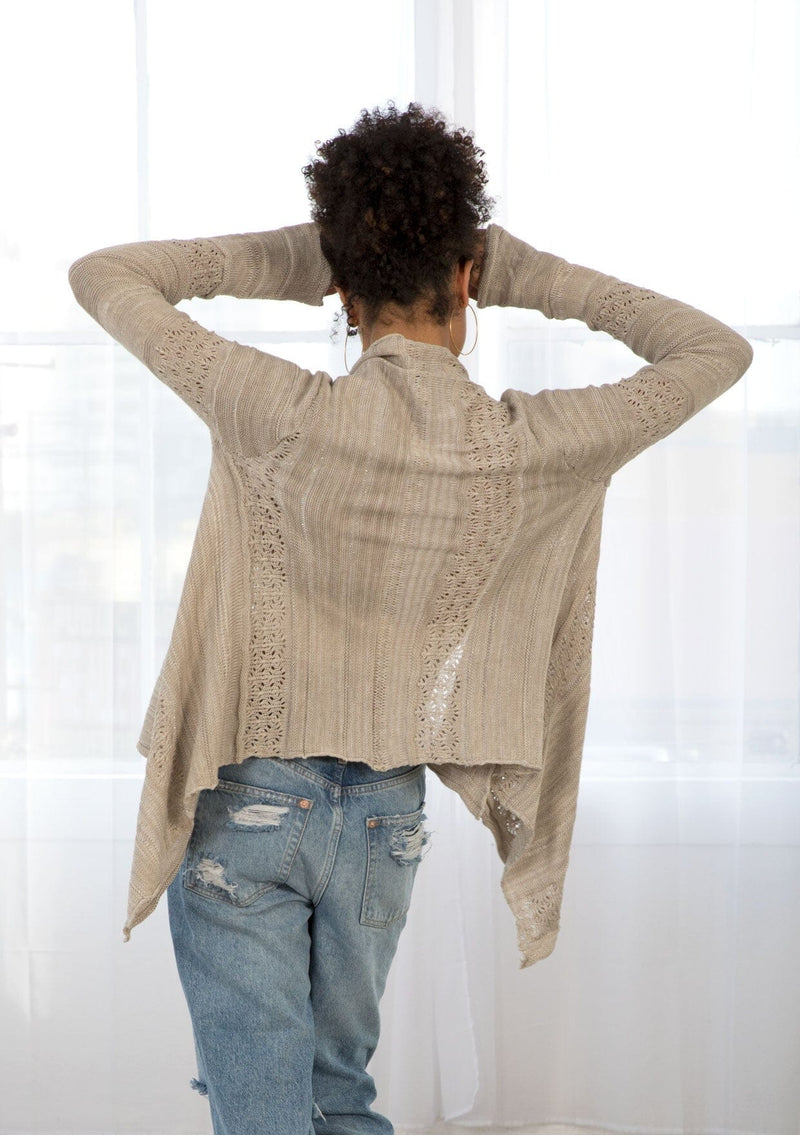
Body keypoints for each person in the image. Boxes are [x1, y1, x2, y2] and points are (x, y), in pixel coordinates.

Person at [68, 101, 753, 1135]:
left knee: (262, 1112)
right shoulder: (531, 443)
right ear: (467, 276)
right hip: (385, 816)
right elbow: (711, 349)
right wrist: (502, 267)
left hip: (250, 799)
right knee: (337, 1095)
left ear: (342, 290)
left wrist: (320, 252)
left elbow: (106, 275)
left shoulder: (274, 410)